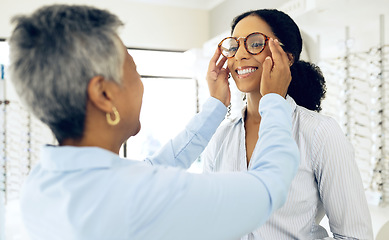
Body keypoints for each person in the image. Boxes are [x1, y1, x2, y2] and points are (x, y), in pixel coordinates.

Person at [8, 5, 300, 240]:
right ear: (104, 94)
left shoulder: (41, 183)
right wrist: (274, 100)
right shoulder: (137, 197)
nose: (140, 84)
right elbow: (266, 190)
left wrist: (214, 106)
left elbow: (158, 165)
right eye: (133, 69)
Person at [202, 9, 373, 240]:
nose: (239, 55)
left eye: (255, 44)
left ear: (288, 58)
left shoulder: (319, 132)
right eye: (234, 46)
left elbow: (355, 236)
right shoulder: (220, 137)